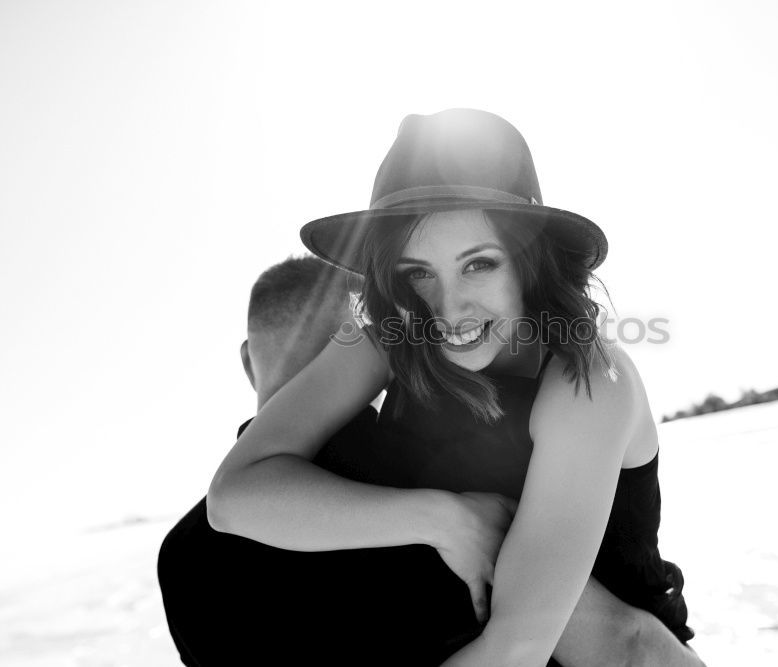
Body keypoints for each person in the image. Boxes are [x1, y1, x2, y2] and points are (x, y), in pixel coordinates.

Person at [208, 109, 702, 666]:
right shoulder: (389, 337)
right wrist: (443, 518)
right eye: (416, 273)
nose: (448, 310)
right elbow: (234, 498)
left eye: (479, 264)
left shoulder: (585, 379)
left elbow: (516, 648)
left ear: (532, 261)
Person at [159, 253, 694, 666]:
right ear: (352, 355)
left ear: (248, 362)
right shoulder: (437, 485)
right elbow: (623, 645)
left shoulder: (181, 560)